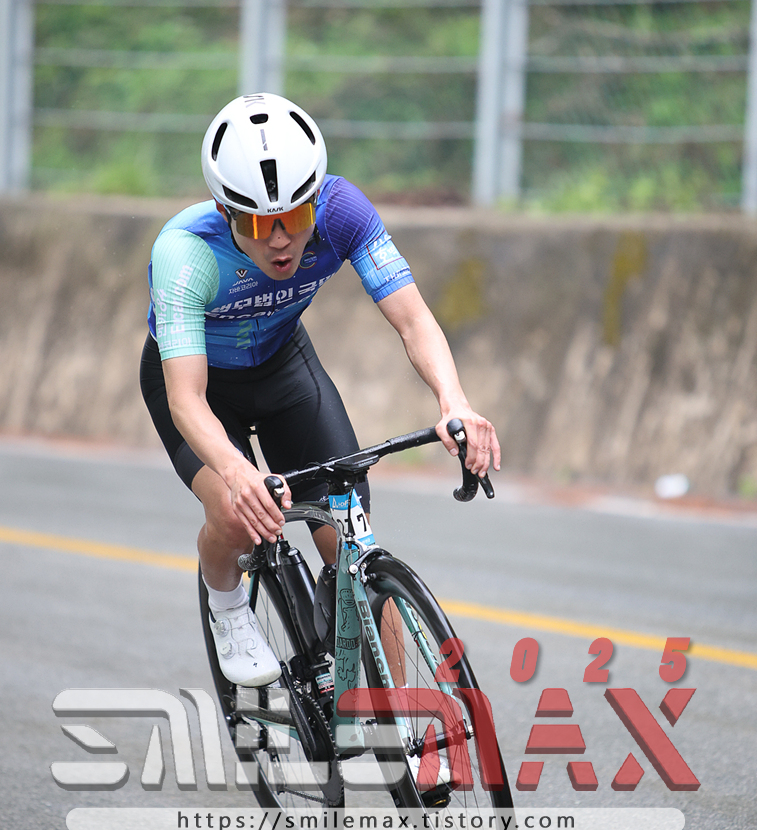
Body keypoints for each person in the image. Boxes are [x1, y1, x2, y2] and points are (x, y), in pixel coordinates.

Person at [139, 92, 500, 687]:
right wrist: (237, 472)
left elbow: (413, 320)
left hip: (283, 366)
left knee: (353, 540)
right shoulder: (185, 255)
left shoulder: (341, 212)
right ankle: (226, 603)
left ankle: (398, 718)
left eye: (295, 217)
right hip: (202, 388)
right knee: (237, 513)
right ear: (226, 212)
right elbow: (186, 399)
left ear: (315, 200)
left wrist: (453, 401)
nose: (282, 240)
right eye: (260, 224)